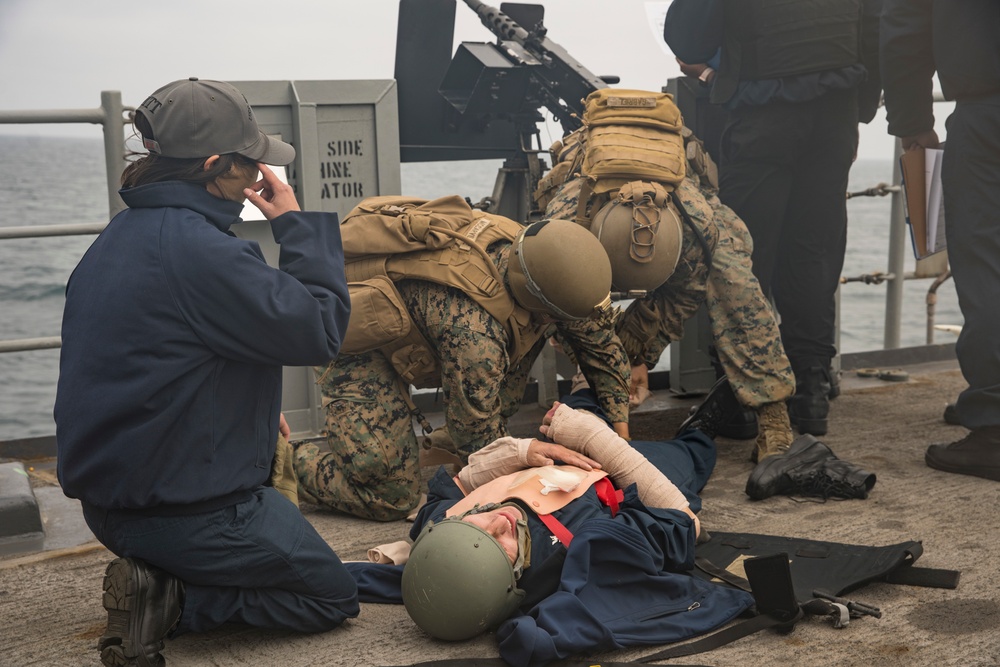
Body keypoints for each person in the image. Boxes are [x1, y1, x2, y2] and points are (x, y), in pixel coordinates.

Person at [54, 77, 358, 667]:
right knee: (330, 594)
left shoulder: (116, 241)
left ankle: (159, 576)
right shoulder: (203, 252)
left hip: (111, 506)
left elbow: (161, 358)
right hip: (189, 515)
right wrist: (293, 222)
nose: (255, 183)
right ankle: (170, 599)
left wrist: (250, 407)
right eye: (249, 169)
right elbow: (321, 329)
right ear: (214, 165)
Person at [345, 390, 755, 665]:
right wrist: (596, 441)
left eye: (479, 527)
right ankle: (701, 426)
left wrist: (524, 450)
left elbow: (458, 483)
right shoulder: (575, 557)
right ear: (510, 586)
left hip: (547, 456)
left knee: (574, 404)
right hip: (615, 473)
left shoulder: (438, 528)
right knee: (690, 455)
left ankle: (586, 388)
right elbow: (682, 523)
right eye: (500, 544)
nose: (499, 523)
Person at [293, 208, 633, 522]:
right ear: (541, 304)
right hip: (352, 335)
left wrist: (622, 445)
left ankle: (447, 439)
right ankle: (280, 460)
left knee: (494, 393)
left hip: (421, 322)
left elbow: (601, 347)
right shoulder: (475, 336)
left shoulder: (539, 262)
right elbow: (479, 434)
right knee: (390, 496)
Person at [664, 0, 884, 437]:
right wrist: (858, 109)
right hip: (834, 116)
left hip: (763, 114)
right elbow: (877, 27)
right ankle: (811, 393)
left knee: (744, 258)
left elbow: (688, 40)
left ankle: (744, 399)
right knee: (814, 253)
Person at [543, 131, 797, 464]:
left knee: (736, 287)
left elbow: (684, 295)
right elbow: (558, 305)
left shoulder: (697, 229)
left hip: (680, 200)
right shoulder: (565, 222)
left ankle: (773, 415)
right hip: (589, 181)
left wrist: (638, 353)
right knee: (566, 305)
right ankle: (591, 395)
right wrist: (609, 369)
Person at [881, 0, 1000, 481]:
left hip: (988, 111)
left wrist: (912, 121)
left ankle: (994, 423)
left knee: (989, 265)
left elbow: (905, 22)